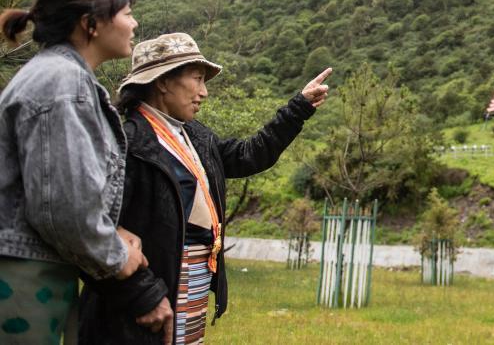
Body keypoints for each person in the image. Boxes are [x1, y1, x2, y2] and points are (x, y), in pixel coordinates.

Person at [77, 32, 331, 344]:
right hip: (142, 305)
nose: (204, 92)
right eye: (197, 79)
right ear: (163, 82)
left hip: (189, 293)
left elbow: (247, 155)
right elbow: (91, 234)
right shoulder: (126, 143)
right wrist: (142, 294)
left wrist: (298, 108)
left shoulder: (195, 136)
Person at [0, 0, 148, 344]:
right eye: (127, 13)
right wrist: (117, 255)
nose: (134, 23)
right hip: (22, 277)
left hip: (32, 268)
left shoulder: (58, 76)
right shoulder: (63, 84)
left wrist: (108, 231)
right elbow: (64, 207)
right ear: (90, 24)